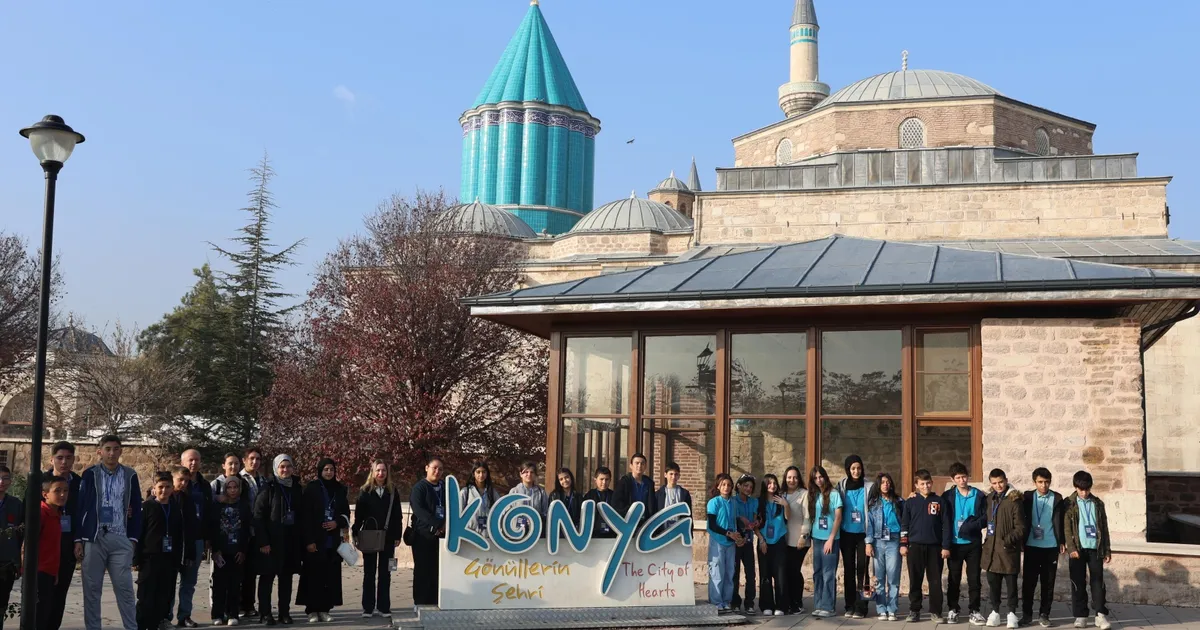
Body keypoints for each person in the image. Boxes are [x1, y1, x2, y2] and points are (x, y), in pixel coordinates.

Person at [75, 434, 142, 630]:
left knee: (125, 589)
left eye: (116, 449)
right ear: (100, 451)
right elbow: (81, 506)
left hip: (120, 537)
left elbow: (136, 507)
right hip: (94, 537)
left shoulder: (130, 475)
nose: (112, 453)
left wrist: (133, 539)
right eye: (108, 449)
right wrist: (79, 539)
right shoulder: (90, 474)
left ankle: (131, 627)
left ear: (121, 451)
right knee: (92, 590)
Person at [135, 471, 195, 630]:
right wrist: (136, 559)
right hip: (149, 558)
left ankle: (156, 624)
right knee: (146, 595)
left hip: (169, 558)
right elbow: (140, 534)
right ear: (154, 488)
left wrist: (180, 558)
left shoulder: (175, 508)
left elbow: (180, 535)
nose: (164, 490)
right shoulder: (147, 507)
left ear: (172, 488)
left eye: (168, 487)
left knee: (163, 595)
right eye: (161, 487)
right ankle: (141, 624)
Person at [297, 458, 351, 623]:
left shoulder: (340, 489)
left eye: (332, 469)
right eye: (326, 469)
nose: (329, 472)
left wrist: (337, 522)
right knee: (313, 576)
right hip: (315, 539)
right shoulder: (312, 489)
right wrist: (309, 541)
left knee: (329, 577)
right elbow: (305, 517)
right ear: (320, 471)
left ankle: (325, 609)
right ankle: (312, 610)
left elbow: (346, 513)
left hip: (332, 540)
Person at [254, 454, 304, 626]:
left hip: (290, 541)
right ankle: (265, 613)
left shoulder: (296, 487)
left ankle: (284, 613)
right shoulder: (268, 487)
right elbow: (258, 516)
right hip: (271, 542)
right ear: (276, 468)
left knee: (286, 579)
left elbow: (301, 514)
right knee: (267, 578)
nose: (285, 470)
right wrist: (263, 542)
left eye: (288, 466)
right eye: (282, 467)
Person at [354, 459, 403, 618]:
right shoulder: (365, 491)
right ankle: (368, 608)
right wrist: (355, 533)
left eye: (383, 470)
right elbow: (359, 515)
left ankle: (383, 607)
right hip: (369, 536)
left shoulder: (392, 491)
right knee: (369, 573)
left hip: (388, 537)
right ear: (373, 472)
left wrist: (398, 535)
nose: (381, 473)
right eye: (378, 470)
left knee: (385, 573)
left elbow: (397, 515)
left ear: (387, 473)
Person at [1063, 471, 1112, 630]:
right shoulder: (1069, 503)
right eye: (1081, 489)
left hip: (1095, 548)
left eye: (1087, 489)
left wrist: (1107, 550)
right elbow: (1066, 528)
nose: (1084, 493)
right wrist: (1071, 548)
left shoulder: (1098, 503)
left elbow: (1104, 527)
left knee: (1098, 582)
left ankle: (1100, 614)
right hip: (1077, 549)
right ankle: (1081, 615)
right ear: (1075, 487)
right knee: (1078, 583)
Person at [900, 468, 949, 623]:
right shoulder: (910, 502)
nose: (925, 486)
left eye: (928, 483)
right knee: (915, 580)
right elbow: (904, 525)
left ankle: (936, 612)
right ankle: (914, 610)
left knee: (935, 581)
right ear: (916, 485)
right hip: (914, 546)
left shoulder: (939, 501)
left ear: (932, 483)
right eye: (922, 484)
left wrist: (945, 546)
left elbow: (946, 525)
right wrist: (903, 544)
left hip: (935, 547)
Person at [943, 462, 987, 626]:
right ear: (952, 479)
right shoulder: (947, 496)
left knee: (974, 578)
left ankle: (974, 610)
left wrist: (972, 526)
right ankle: (953, 609)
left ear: (968, 477)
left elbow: (985, 517)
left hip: (973, 543)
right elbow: (942, 517)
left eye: (964, 477)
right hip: (954, 543)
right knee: (954, 579)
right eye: (958, 478)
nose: (962, 480)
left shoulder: (979, 495)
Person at [44, 441, 81, 630]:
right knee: (43, 594)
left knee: (60, 595)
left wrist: (78, 540)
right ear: (52, 459)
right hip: (45, 547)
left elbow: (83, 513)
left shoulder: (79, 483)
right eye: (59, 458)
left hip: (68, 545)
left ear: (74, 459)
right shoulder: (41, 481)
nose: (64, 462)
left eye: (68, 458)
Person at [1021, 467, 1065, 628]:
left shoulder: (1057, 498)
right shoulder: (1027, 497)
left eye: (1047, 482)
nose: (1044, 485)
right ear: (1034, 482)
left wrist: (1062, 541)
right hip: (1031, 545)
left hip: (1051, 546)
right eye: (1040, 482)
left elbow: (1062, 521)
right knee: (1029, 582)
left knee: (1048, 583)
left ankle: (1044, 614)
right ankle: (1026, 614)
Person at [981, 468, 1025, 629]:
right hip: (991, 551)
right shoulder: (990, 499)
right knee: (993, 584)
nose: (998, 486)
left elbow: (1020, 527)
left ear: (1006, 480)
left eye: (1000, 482)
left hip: (1008, 550)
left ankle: (1012, 613)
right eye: (994, 483)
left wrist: (1007, 540)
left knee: (1011, 585)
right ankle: (995, 612)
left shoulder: (1014, 500)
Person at [175, 449, 213, 628]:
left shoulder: (205, 485)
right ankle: (165, 617)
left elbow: (209, 512)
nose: (193, 463)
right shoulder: (175, 483)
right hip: (175, 539)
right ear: (182, 462)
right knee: (169, 581)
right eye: (190, 460)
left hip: (196, 539)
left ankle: (184, 615)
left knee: (189, 582)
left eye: (197, 460)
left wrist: (207, 537)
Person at [211, 475, 252, 626]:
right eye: (229, 487)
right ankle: (218, 614)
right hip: (221, 551)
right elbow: (213, 528)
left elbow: (246, 530)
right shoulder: (218, 505)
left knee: (235, 584)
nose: (233, 490)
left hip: (237, 550)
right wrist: (215, 550)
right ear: (225, 488)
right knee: (219, 584)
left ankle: (233, 613)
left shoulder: (244, 506)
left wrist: (243, 550)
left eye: (235, 487)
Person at [836, 454, 873, 618]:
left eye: (858, 468)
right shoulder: (841, 486)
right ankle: (849, 605)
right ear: (848, 470)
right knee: (849, 570)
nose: (856, 471)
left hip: (864, 535)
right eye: (853, 468)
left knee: (863, 570)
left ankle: (862, 606)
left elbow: (886, 497)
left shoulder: (869, 486)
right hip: (846, 534)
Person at [865, 472, 903, 622]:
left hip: (894, 540)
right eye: (882, 482)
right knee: (879, 577)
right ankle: (881, 609)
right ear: (878, 485)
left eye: (888, 482)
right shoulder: (873, 503)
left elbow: (906, 519)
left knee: (893, 576)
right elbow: (869, 524)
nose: (885, 485)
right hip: (878, 541)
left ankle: (892, 609)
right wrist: (868, 543)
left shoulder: (899, 501)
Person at [238, 447, 270, 620]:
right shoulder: (238, 479)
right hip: (242, 529)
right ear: (244, 460)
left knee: (253, 570)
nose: (255, 462)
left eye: (258, 459)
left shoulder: (264, 480)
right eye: (251, 458)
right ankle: (239, 605)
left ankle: (250, 605)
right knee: (241, 570)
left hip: (259, 530)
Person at [410, 456, 446, 606]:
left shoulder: (444, 487)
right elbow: (419, 510)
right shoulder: (419, 488)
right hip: (423, 536)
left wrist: (444, 526)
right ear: (427, 468)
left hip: (442, 536)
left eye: (440, 469)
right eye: (434, 468)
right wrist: (436, 525)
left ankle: (435, 601)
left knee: (437, 570)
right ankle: (420, 602)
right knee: (423, 570)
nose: (437, 471)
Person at [807, 466, 842, 618]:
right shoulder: (814, 495)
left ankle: (828, 607)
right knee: (817, 572)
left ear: (825, 477)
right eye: (815, 478)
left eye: (820, 477)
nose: (818, 480)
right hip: (817, 538)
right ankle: (818, 604)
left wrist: (831, 539)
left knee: (828, 573)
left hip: (830, 539)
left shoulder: (834, 494)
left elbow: (838, 517)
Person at [706, 473, 743, 614]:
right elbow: (712, 525)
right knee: (717, 572)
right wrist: (728, 533)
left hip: (730, 543)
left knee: (729, 572)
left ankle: (726, 601)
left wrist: (740, 536)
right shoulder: (714, 502)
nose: (726, 487)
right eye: (723, 485)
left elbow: (736, 522)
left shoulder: (734, 503)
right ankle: (716, 602)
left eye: (728, 485)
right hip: (718, 541)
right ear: (718, 486)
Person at [36, 475, 70, 630]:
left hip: (50, 571)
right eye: (57, 491)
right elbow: (29, 544)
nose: (62, 494)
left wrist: (55, 572)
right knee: (39, 616)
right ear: (45, 494)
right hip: (39, 572)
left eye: (65, 490)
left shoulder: (57, 513)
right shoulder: (41, 513)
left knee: (49, 613)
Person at [756, 474, 788, 617]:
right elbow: (754, 524)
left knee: (780, 574)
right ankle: (766, 605)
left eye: (774, 483)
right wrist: (761, 540)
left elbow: (788, 518)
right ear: (764, 485)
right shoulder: (758, 502)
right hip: (764, 541)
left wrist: (785, 505)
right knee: (765, 574)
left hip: (779, 540)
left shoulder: (781, 500)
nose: (772, 486)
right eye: (769, 483)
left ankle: (781, 605)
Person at [781, 466, 810, 616]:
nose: (792, 480)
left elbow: (807, 516)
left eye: (795, 477)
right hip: (784, 539)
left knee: (794, 571)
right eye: (789, 477)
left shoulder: (804, 494)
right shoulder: (781, 494)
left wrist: (803, 536)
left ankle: (797, 603)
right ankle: (788, 602)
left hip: (799, 540)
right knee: (786, 572)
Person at [730, 474, 759, 615]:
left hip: (748, 541)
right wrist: (740, 518)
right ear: (739, 486)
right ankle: (735, 602)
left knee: (750, 573)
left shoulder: (753, 502)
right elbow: (732, 518)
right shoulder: (733, 501)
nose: (748, 489)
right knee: (735, 573)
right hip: (736, 541)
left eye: (751, 487)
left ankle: (749, 603)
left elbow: (754, 518)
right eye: (746, 485)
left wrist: (755, 522)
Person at [0, 465, 25, 630]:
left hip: (7, 563)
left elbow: (21, 535)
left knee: (2, 603)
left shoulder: (16, 504)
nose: (1, 482)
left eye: (5, 478)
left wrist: (18, 561)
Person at [612, 453, 657, 525]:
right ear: (631, 466)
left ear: (645, 466)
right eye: (637, 463)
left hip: (645, 522)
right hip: (628, 521)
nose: (639, 466)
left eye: (642, 463)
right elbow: (617, 503)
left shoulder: (649, 483)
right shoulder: (624, 482)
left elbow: (653, 504)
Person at [459, 461, 500, 538]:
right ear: (473, 474)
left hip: (488, 535)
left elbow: (499, 511)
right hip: (470, 534)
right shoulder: (466, 491)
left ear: (487, 474)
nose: (481, 475)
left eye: (484, 472)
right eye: (478, 472)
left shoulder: (492, 492)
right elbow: (459, 514)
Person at [507, 461, 548, 536]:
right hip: (518, 532)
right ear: (521, 474)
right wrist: (523, 521)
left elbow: (545, 512)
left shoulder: (541, 492)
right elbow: (508, 513)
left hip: (536, 532)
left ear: (535, 475)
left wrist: (535, 519)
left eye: (532, 472)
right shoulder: (514, 491)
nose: (529, 474)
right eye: (526, 472)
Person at [583, 467, 615, 538]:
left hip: (611, 534)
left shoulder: (614, 495)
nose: (604, 482)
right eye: (601, 479)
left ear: (610, 480)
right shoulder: (590, 495)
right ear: (595, 480)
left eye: (607, 479)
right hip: (593, 534)